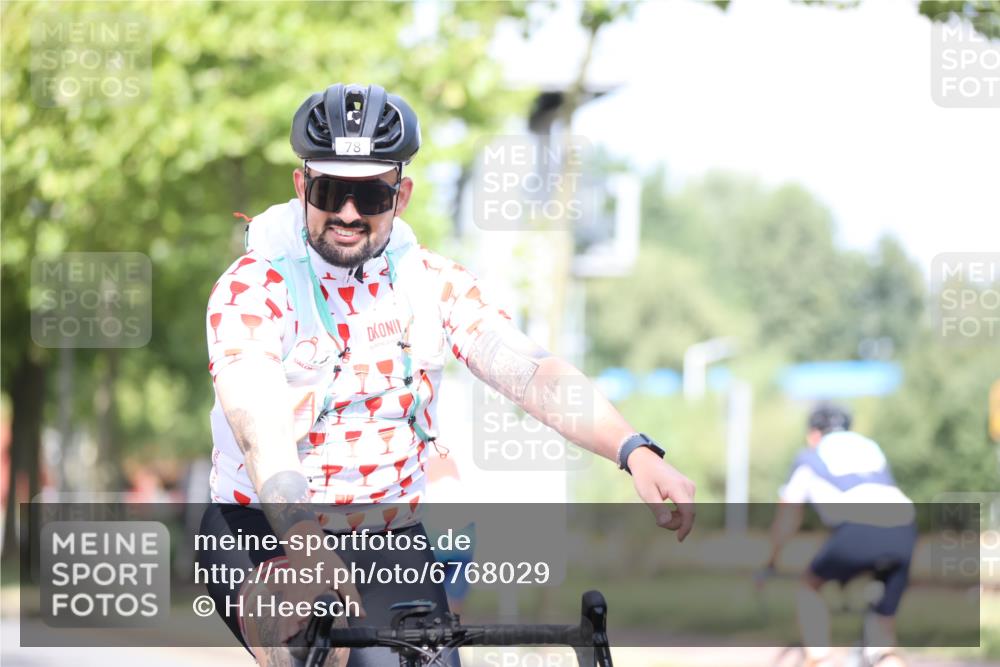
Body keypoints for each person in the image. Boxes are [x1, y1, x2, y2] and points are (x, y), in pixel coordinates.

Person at [197, 83, 696, 667]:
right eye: (332, 190)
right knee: (315, 646)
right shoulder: (253, 287)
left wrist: (633, 449)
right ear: (302, 186)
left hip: (388, 535)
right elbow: (259, 424)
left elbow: (531, 374)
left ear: (401, 194)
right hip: (261, 528)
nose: (349, 213)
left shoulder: (431, 284)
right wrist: (305, 541)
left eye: (371, 194)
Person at [762, 403, 916, 667]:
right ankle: (886, 657)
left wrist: (772, 559)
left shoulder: (809, 456)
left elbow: (788, 515)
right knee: (882, 627)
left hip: (857, 526)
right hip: (905, 527)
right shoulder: (869, 447)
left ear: (813, 434)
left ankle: (820, 659)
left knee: (809, 588)